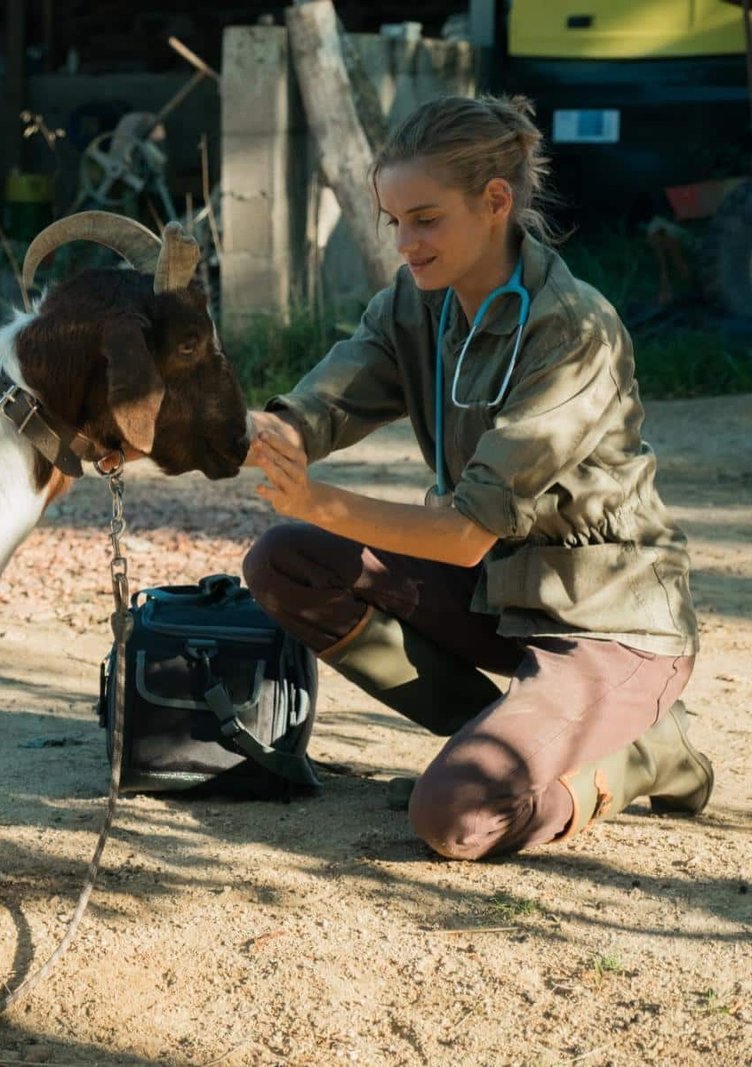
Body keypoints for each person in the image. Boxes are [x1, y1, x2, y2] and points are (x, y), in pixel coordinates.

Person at [240, 94, 711, 860]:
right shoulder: (416, 302)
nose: (405, 243)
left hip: (609, 623)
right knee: (286, 560)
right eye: (394, 221)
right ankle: (493, 739)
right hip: (500, 597)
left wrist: (316, 494)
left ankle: (644, 754)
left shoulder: (571, 328)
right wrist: (262, 432)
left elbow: (462, 535)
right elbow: (327, 399)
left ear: (495, 202)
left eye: (424, 219)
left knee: (456, 818)